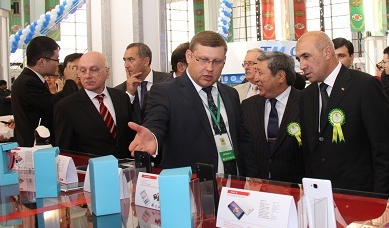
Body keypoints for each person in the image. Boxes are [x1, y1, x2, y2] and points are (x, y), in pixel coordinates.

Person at [128, 31, 257, 177]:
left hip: (233, 182)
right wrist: (153, 137)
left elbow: (243, 141)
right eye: (203, 60)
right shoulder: (165, 92)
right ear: (189, 56)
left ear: (224, 61)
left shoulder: (230, 93)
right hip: (192, 183)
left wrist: (252, 178)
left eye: (216, 61)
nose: (210, 68)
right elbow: (156, 123)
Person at [295, 31, 389, 193]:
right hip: (319, 194)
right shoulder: (307, 95)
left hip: (359, 193)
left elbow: (383, 149)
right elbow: (309, 151)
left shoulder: (364, 86)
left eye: (306, 56)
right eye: (298, 59)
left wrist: (379, 198)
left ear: (327, 53)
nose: (302, 65)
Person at [54, 52, 134, 158]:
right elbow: (65, 152)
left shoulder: (121, 97)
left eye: (94, 70)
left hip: (125, 165)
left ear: (107, 72)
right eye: (83, 71)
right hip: (89, 167)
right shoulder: (66, 106)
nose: (87, 76)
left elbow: (129, 135)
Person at [242, 51, 304, 183]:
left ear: (280, 76)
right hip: (258, 187)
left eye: (260, 73)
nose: (256, 78)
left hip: (296, 187)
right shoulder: (248, 106)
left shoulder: (306, 103)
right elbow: (246, 149)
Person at [11, 36, 78, 147]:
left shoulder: (33, 79)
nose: (58, 64)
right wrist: (70, 81)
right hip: (34, 146)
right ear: (41, 61)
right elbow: (55, 105)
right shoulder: (28, 82)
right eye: (56, 59)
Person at [116, 43, 172, 124]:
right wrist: (129, 95)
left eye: (131, 59)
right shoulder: (119, 91)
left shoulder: (168, 80)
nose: (126, 65)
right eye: (125, 60)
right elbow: (120, 120)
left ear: (146, 61)